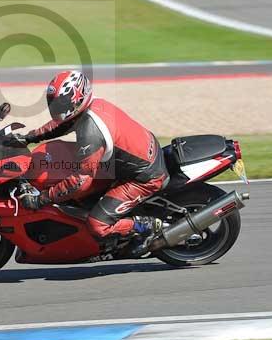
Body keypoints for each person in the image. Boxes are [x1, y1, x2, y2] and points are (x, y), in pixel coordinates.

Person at [16, 70, 168, 255]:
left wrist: (42, 199)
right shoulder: (92, 105)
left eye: (61, 103)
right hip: (130, 158)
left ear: (77, 98)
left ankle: (146, 226)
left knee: (97, 225)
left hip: (144, 177)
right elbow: (60, 124)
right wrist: (27, 137)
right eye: (53, 103)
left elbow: (80, 182)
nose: (56, 108)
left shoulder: (91, 130)